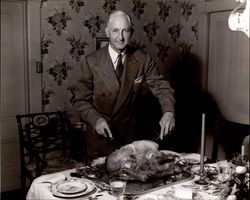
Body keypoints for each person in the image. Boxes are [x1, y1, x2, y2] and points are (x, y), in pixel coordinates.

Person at [75, 10, 175, 161]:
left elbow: (161, 86)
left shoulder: (142, 58)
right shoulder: (90, 61)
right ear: (107, 32)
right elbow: (81, 101)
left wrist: (169, 111)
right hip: (101, 139)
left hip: (130, 139)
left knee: (130, 181)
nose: (120, 37)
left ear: (131, 32)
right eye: (115, 31)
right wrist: (96, 120)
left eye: (125, 31)